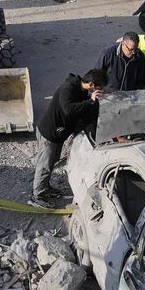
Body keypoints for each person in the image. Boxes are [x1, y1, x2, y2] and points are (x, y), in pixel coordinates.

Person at [31, 70, 104, 208]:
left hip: (58, 134)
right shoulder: (67, 88)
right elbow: (68, 110)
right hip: (49, 133)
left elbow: (80, 111)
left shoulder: (81, 90)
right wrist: (90, 101)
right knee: (45, 164)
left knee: (52, 161)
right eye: (99, 88)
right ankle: (37, 195)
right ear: (91, 84)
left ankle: (45, 188)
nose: (98, 91)